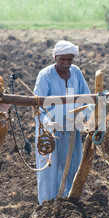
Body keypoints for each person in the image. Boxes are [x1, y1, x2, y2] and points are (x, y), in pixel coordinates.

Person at [33, 40, 91, 204]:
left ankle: (67, 200)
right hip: (49, 131)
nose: (66, 64)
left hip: (72, 129)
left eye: (69, 60)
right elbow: (38, 106)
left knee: (71, 163)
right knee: (49, 167)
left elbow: (87, 98)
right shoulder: (45, 75)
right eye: (62, 60)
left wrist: (84, 116)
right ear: (55, 57)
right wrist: (48, 123)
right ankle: (47, 202)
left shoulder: (76, 73)